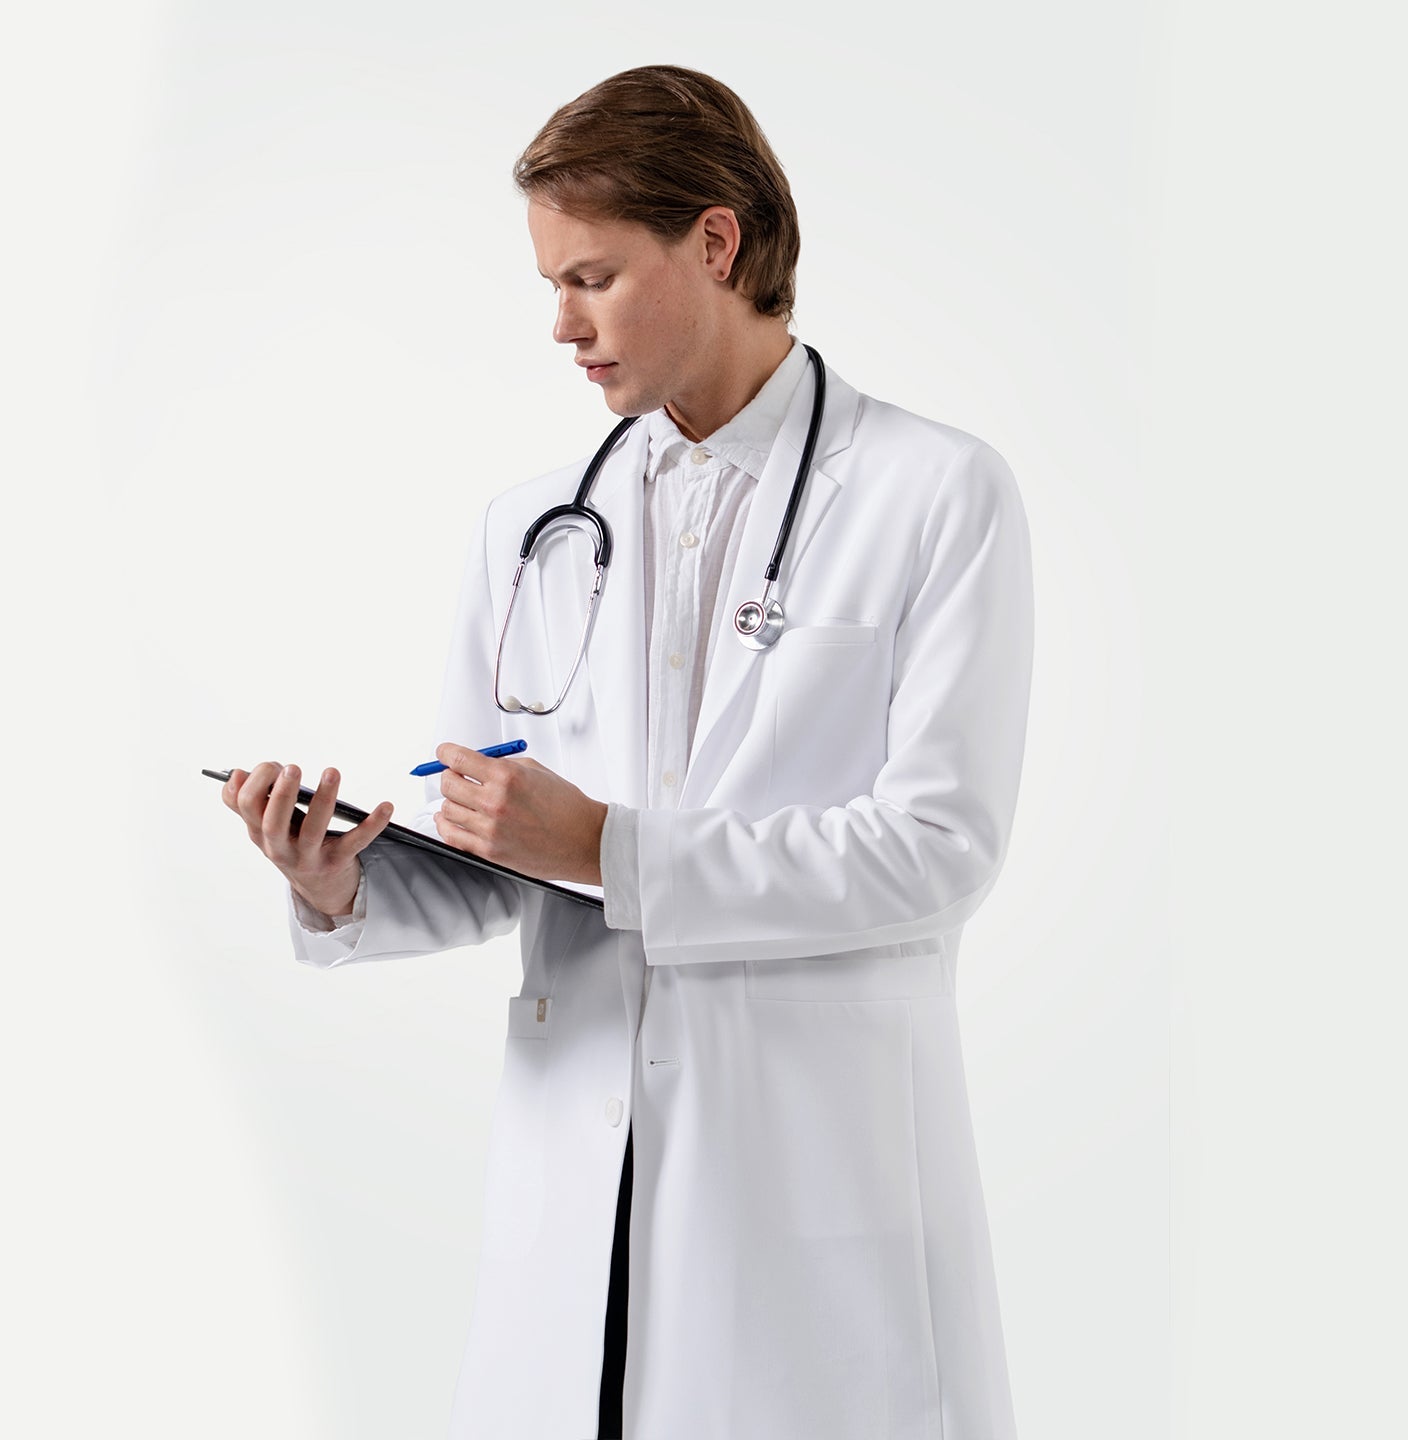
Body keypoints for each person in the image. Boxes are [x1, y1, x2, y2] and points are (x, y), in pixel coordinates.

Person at [222, 64, 1034, 1440]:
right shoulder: (531, 530)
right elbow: (501, 852)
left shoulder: (935, 494)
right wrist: (341, 880)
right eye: (553, 284)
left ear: (716, 242)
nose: (561, 324)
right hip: (578, 1179)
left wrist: (609, 847)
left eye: (592, 278)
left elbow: (939, 851)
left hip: (811, 1182)